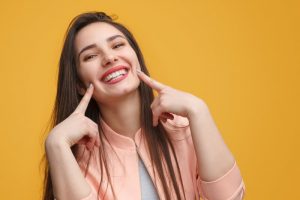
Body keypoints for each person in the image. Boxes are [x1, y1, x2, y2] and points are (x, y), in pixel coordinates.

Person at [43, 11, 245, 200]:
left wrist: (199, 110)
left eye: (117, 45)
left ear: (136, 58)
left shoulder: (184, 128)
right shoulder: (76, 156)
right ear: (78, 84)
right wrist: (55, 143)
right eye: (90, 56)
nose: (109, 58)